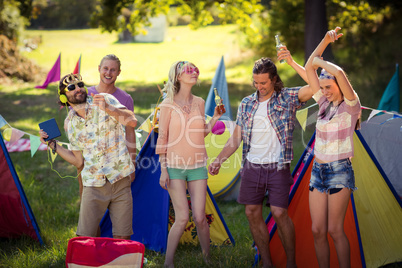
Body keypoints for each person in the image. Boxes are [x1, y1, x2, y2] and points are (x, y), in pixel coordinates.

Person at [208, 57, 313, 267]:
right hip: (252, 166)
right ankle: (267, 262)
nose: (259, 87)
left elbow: (314, 86)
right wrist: (219, 159)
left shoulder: (287, 98)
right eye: (256, 82)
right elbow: (236, 137)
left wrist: (292, 62)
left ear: (274, 79)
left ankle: (291, 262)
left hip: (278, 166)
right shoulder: (247, 103)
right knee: (251, 212)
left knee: (279, 212)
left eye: (264, 83)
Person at [39, 73, 137, 239]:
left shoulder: (105, 99)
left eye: (80, 84)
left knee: (123, 239)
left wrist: (108, 107)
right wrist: (52, 145)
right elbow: (78, 161)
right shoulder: (70, 123)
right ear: (63, 97)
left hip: (120, 179)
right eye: (71, 87)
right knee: (85, 238)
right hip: (93, 184)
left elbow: (132, 121)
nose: (78, 88)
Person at [156, 61, 225, 267]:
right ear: (178, 76)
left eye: (195, 69)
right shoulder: (167, 104)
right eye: (188, 69)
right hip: (174, 167)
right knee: (182, 218)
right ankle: (168, 263)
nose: (194, 71)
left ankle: (207, 258)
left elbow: (202, 132)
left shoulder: (200, 102)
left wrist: (216, 118)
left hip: (197, 166)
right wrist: (163, 170)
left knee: (200, 218)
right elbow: (163, 138)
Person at [305, 27, 361, 268]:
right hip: (318, 170)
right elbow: (309, 68)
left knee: (334, 230)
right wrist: (325, 41)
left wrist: (320, 61)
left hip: (340, 170)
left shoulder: (351, 106)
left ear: (340, 85)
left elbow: (337, 71)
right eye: (323, 88)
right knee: (317, 230)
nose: (324, 91)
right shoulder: (324, 104)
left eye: (329, 87)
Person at [74, 54, 136, 198]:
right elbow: (74, 126)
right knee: (89, 203)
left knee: (116, 199)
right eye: (105, 68)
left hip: (116, 161)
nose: (108, 73)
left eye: (113, 70)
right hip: (89, 161)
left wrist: (132, 163)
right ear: (99, 69)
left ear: (119, 72)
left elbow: (130, 132)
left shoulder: (125, 99)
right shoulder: (85, 93)